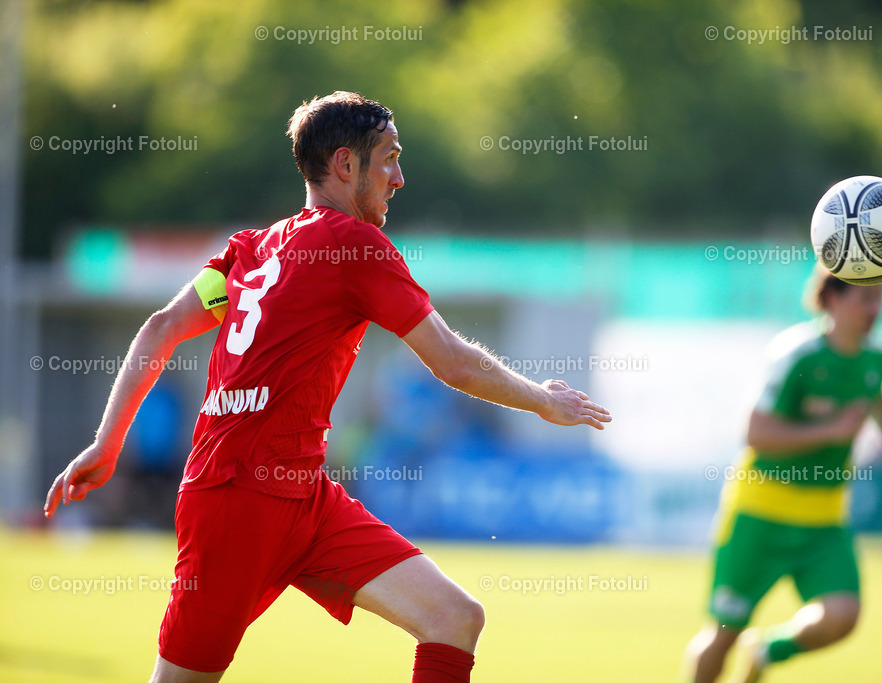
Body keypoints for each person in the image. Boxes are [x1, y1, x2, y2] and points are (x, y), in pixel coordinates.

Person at [43, 91, 612, 683]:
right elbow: (453, 362)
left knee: (454, 617)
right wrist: (544, 399)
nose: (398, 177)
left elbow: (161, 328)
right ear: (345, 165)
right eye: (388, 158)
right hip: (237, 502)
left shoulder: (251, 250)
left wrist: (106, 445)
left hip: (304, 498)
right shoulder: (356, 246)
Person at [683, 268, 882, 683]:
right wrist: (831, 431)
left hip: (824, 519)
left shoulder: (879, 357)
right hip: (761, 513)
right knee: (721, 634)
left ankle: (768, 651)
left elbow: (874, 393)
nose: (876, 309)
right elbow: (755, 433)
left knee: (843, 617)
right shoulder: (797, 354)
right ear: (832, 299)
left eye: (881, 298)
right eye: (866, 299)